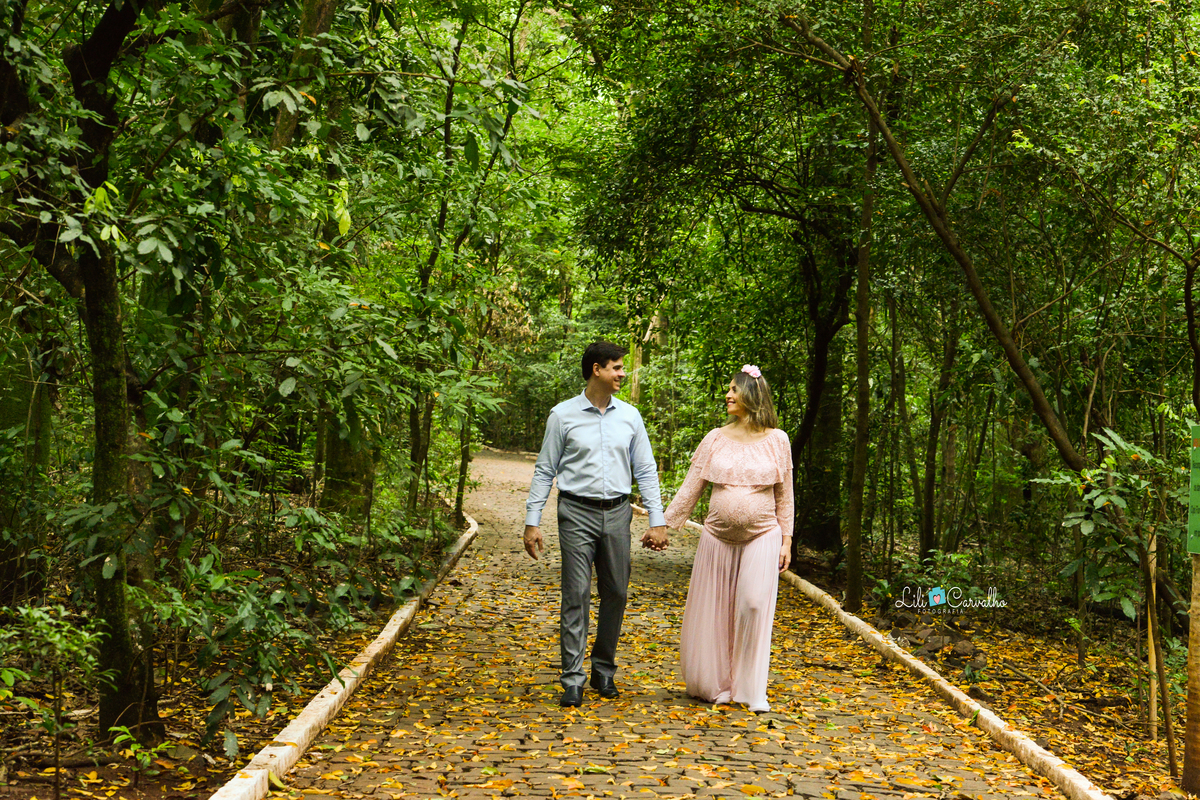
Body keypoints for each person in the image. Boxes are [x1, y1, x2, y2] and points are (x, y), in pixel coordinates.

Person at [524, 340, 670, 708]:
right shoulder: (562, 416)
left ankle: (603, 669)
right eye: (617, 367)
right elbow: (545, 471)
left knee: (616, 592)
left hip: (618, 512)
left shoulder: (630, 417)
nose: (622, 373)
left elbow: (646, 470)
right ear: (597, 370)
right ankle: (572, 678)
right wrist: (532, 521)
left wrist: (657, 519)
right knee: (575, 594)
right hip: (575, 512)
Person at [663, 364, 793, 713]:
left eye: (734, 389)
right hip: (717, 536)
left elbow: (785, 494)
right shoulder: (715, 438)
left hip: (763, 534)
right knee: (716, 610)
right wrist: (664, 524)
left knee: (752, 604)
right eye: (728, 390)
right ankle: (719, 685)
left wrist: (787, 540)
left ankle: (750, 689)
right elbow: (691, 488)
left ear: (752, 394)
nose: (728, 395)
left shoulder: (778, 440)